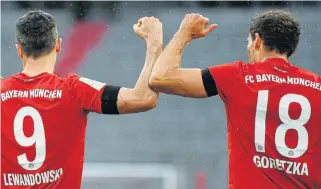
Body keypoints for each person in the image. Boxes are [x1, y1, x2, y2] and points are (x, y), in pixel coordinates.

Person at [149, 10, 321, 189]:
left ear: (258, 41)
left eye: (248, 42)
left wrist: (183, 34)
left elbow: (160, 78)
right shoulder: (317, 85)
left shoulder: (239, 76)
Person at [1, 10, 162, 188]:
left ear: (19, 50)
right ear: (58, 45)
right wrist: (154, 43)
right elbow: (144, 97)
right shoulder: (74, 89)